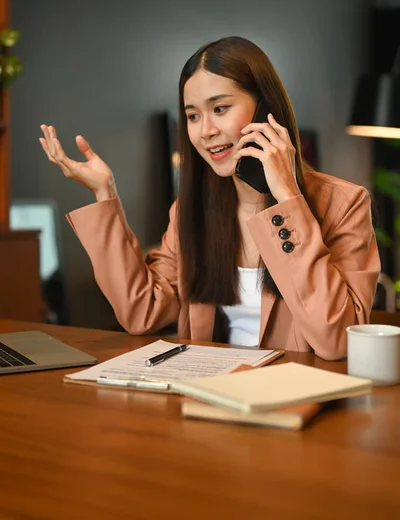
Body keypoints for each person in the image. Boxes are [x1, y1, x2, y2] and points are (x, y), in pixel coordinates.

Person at [39, 36, 380, 360]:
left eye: (220, 108)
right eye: (193, 115)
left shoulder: (344, 204)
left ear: (265, 110)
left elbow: (338, 340)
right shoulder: (191, 209)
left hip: (295, 404)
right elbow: (141, 311)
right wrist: (104, 193)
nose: (205, 131)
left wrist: (288, 197)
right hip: (209, 399)